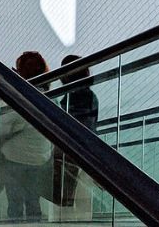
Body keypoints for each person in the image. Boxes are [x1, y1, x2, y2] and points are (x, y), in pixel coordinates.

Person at [0, 51, 52, 222]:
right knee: (33, 201)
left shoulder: (19, 97)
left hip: (15, 158)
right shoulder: (49, 98)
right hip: (40, 158)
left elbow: (0, 127)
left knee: (14, 203)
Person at [54, 54, 99, 206]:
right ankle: (65, 202)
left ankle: (64, 202)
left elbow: (72, 122)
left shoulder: (76, 96)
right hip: (81, 147)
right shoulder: (88, 96)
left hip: (72, 147)